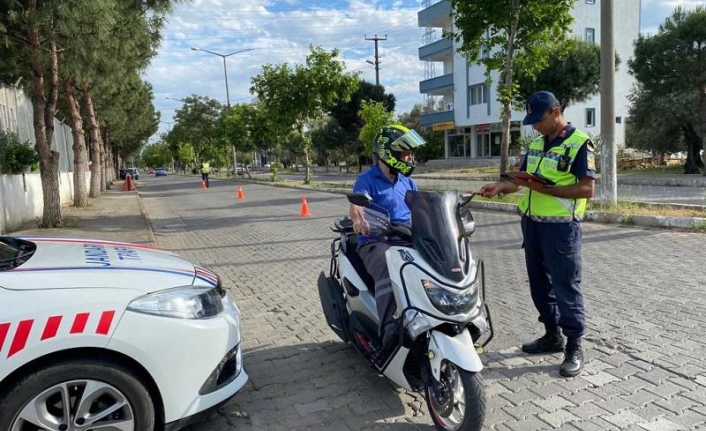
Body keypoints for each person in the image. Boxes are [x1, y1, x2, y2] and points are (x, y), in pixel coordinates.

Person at [480, 90, 596, 377]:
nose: (535, 126)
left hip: (561, 228)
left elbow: (587, 189)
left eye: (538, 120)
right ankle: (551, 335)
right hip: (532, 223)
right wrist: (499, 186)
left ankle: (574, 345)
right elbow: (519, 182)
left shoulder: (580, 143)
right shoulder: (535, 143)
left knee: (566, 286)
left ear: (556, 111)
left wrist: (549, 190)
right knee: (539, 285)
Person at [349, 124, 427, 347]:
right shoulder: (367, 179)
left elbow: (421, 209)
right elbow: (357, 204)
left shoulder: (408, 181)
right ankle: (389, 329)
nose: (410, 157)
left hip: (406, 238)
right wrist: (358, 218)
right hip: (376, 240)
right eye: (405, 153)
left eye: (411, 153)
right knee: (388, 264)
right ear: (388, 152)